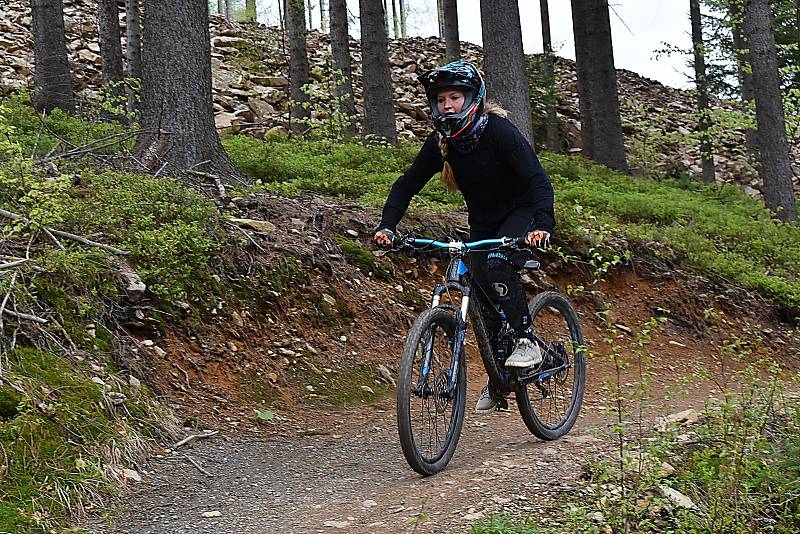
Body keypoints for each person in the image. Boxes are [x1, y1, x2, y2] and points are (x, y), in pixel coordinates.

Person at [373, 61, 555, 413]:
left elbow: (538, 180)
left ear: (472, 98)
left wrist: (542, 226)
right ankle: (499, 369)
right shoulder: (442, 142)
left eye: (455, 97)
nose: (448, 105)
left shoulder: (499, 131)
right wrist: (387, 226)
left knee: (499, 266)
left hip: (521, 214)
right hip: (484, 223)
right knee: (479, 289)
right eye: (441, 99)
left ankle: (527, 341)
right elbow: (407, 184)